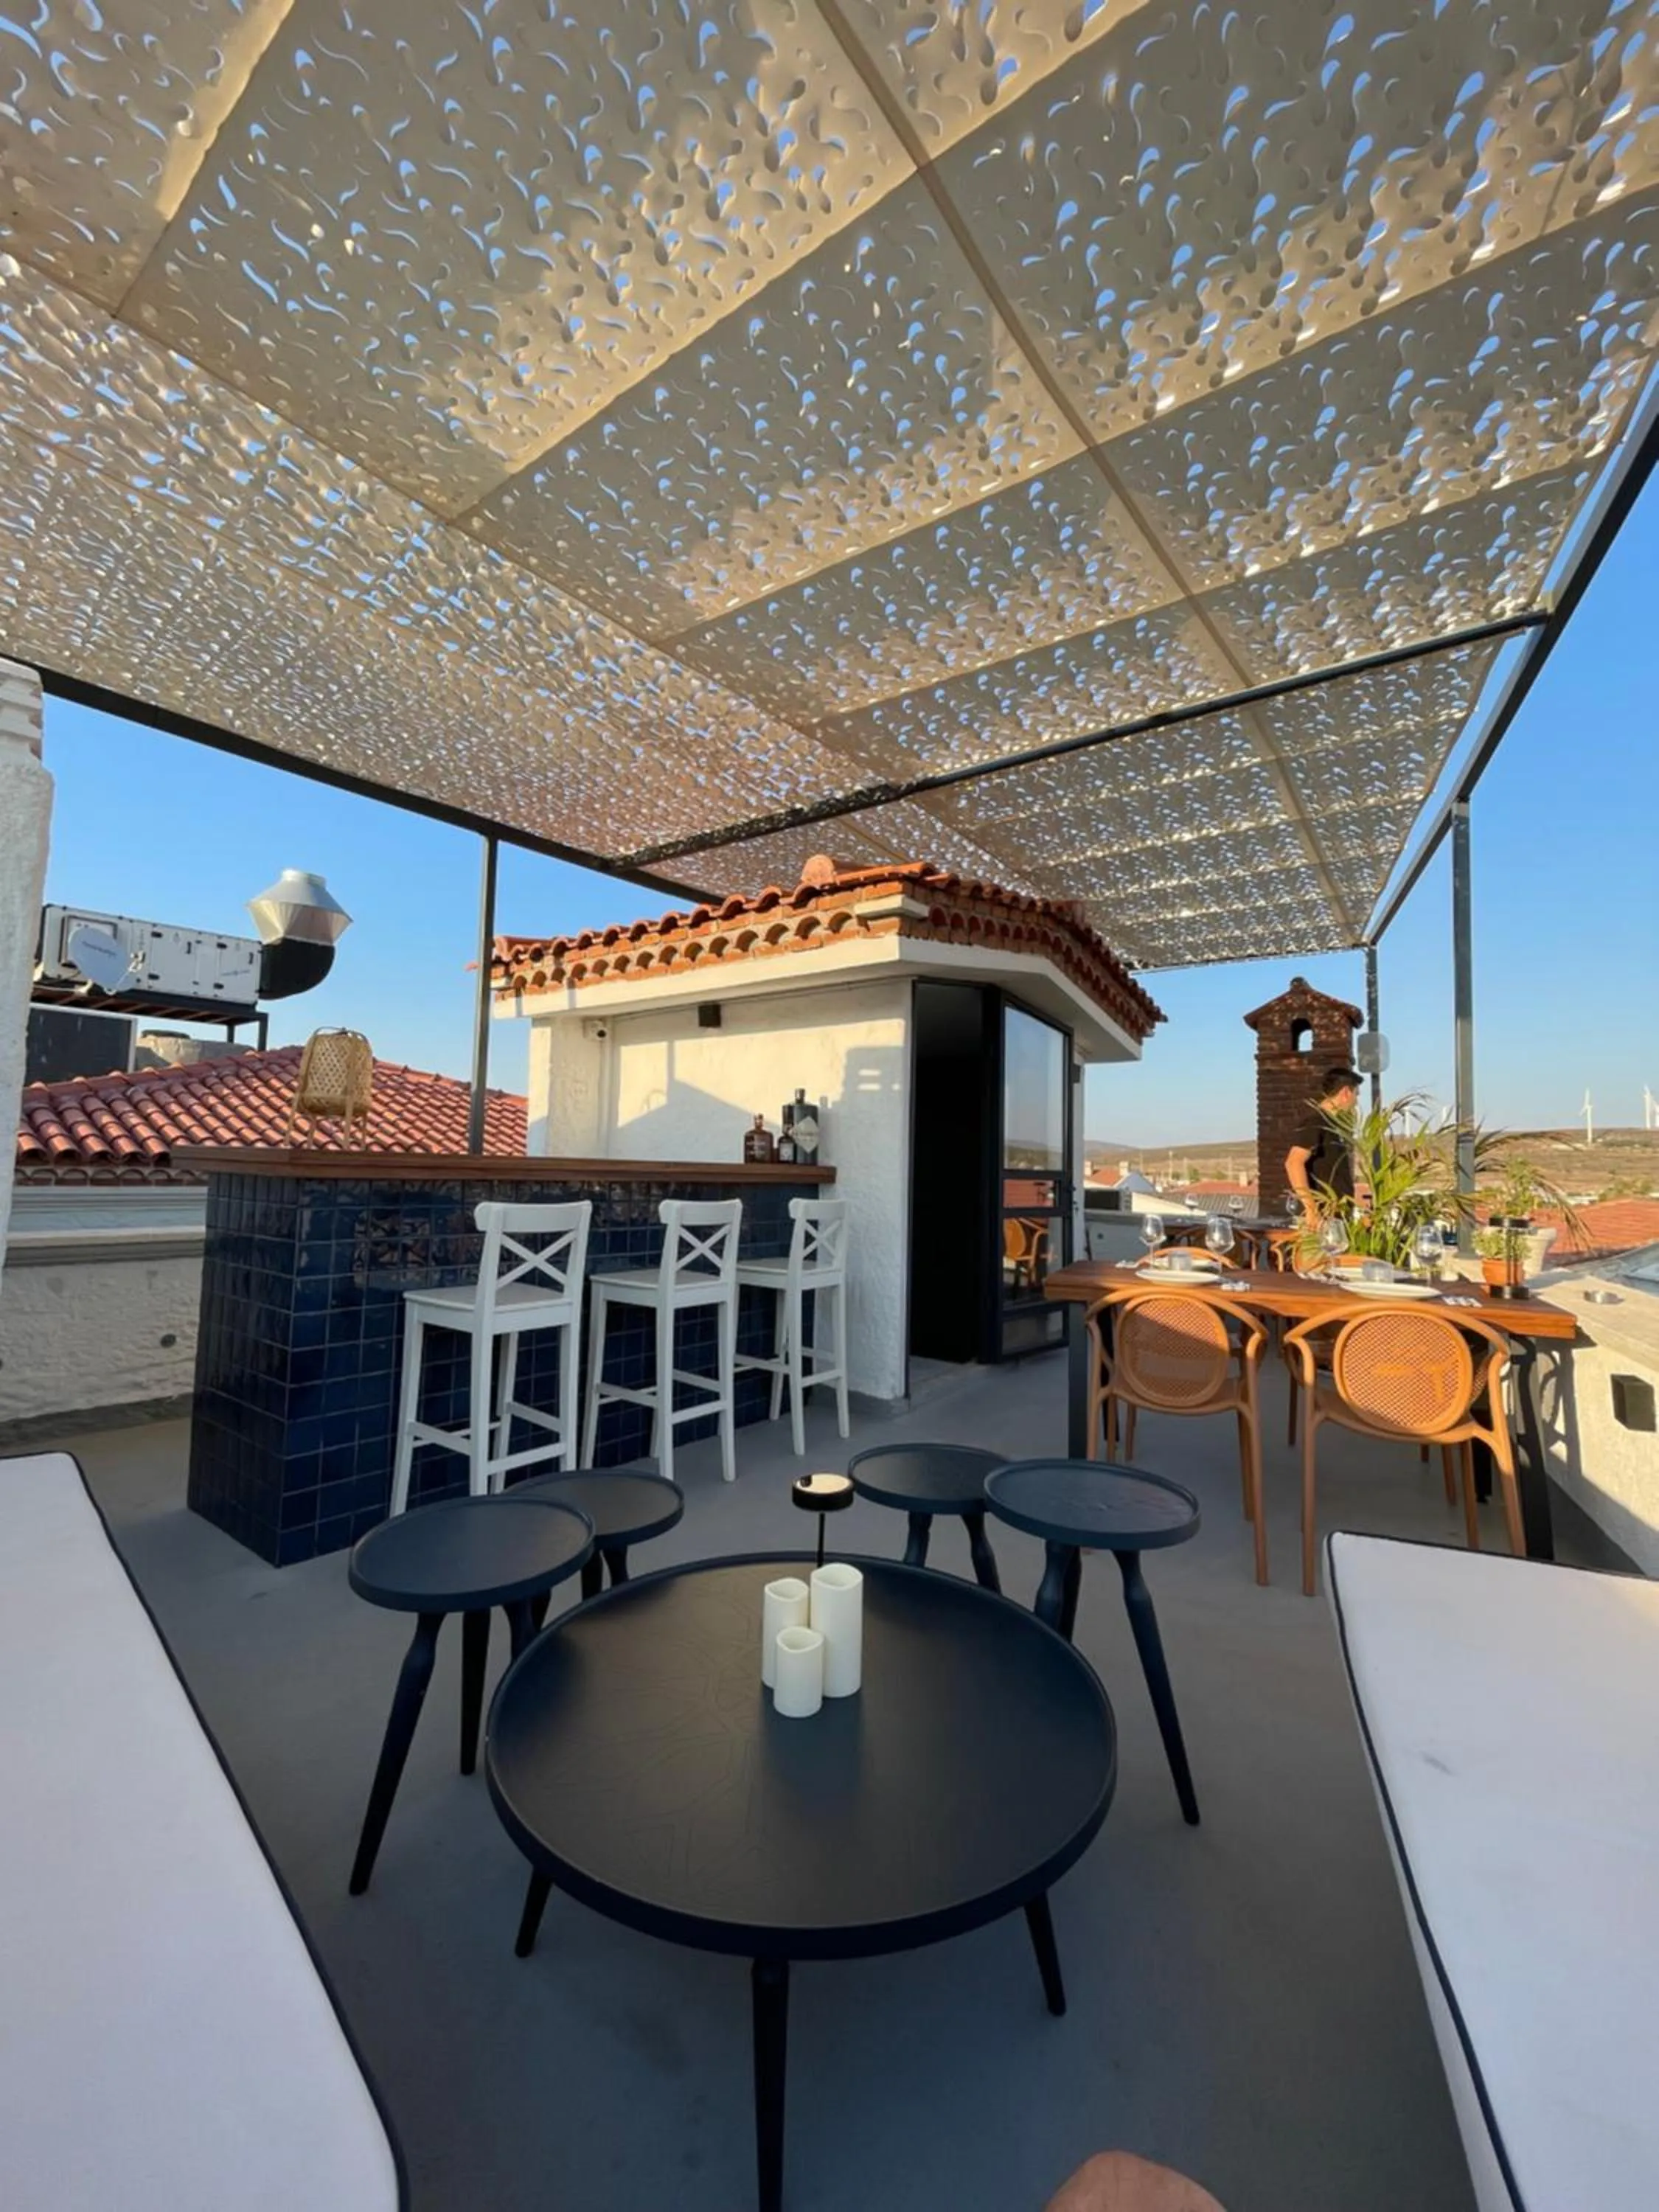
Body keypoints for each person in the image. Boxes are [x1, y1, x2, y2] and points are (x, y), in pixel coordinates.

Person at [1284, 1065, 1360, 1218]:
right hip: (1321, 1218)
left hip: (1337, 1218)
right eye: (1356, 1095)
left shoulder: (1333, 1126)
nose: (1356, 1102)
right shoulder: (1315, 1123)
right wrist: (1311, 1209)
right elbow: (1293, 1163)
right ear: (1346, 1092)